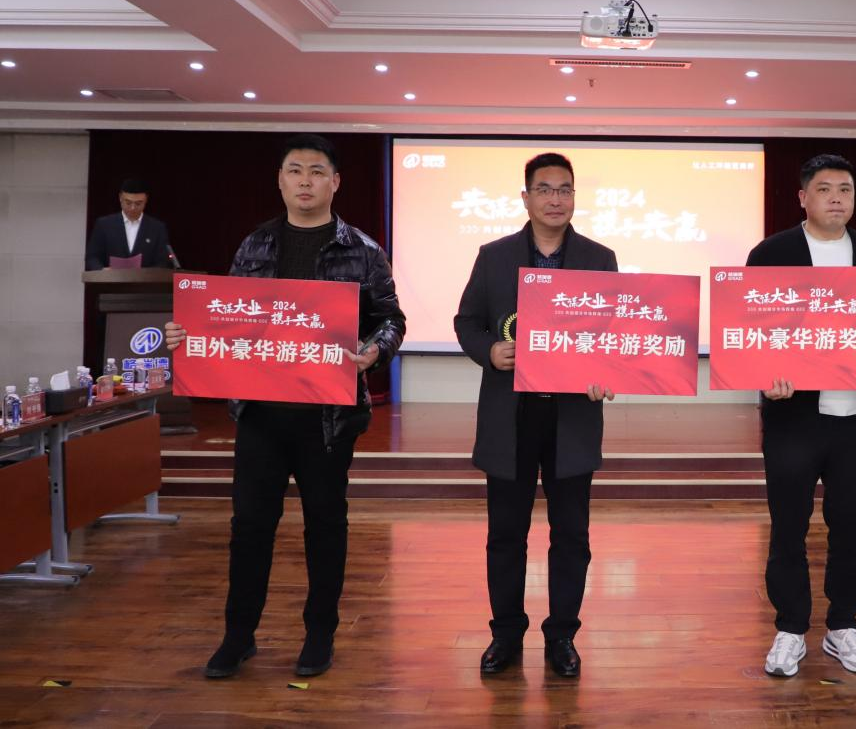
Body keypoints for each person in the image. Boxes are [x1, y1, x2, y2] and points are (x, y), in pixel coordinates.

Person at [163, 134, 405, 679]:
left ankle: (319, 635)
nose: (305, 181)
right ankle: (238, 636)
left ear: (335, 182)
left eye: (316, 171)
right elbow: (227, 318)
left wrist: (374, 351)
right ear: (280, 180)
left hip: (328, 418)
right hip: (260, 414)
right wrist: (188, 334)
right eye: (295, 170)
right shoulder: (255, 245)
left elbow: (392, 319)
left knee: (325, 526)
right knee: (250, 527)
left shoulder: (363, 250)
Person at [454, 152, 618, 678]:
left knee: (571, 536)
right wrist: (488, 350)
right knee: (506, 534)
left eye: (564, 189)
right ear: (525, 198)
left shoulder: (599, 258)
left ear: (574, 197)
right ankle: (505, 635)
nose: (555, 199)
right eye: (544, 189)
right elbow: (467, 321)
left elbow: (612, 335)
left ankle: (562, 635)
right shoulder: (494, 256)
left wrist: (608, 372)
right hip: (512, 416)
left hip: (572, 417)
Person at [746, 154, 856, 678]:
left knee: (851, 528)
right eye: (824, 188)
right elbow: (751, 327)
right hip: (794, 417)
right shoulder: (772, 254)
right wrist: (764, 374)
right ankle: (790, 628)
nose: (836, 197)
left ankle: (843, 626)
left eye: (845, 189)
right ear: (803, 197)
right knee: (788, 527)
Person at [85, 178, 173, 270]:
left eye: (138, 203)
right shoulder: (104, 225)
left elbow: (163, 261)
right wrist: (102, 271)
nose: (132, 208)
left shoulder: (157, 228)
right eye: (128, 203)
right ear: (120, 198)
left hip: (146, 279)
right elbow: (92, 257)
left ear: (146, 200)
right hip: (111, 278)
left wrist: (146, 273)